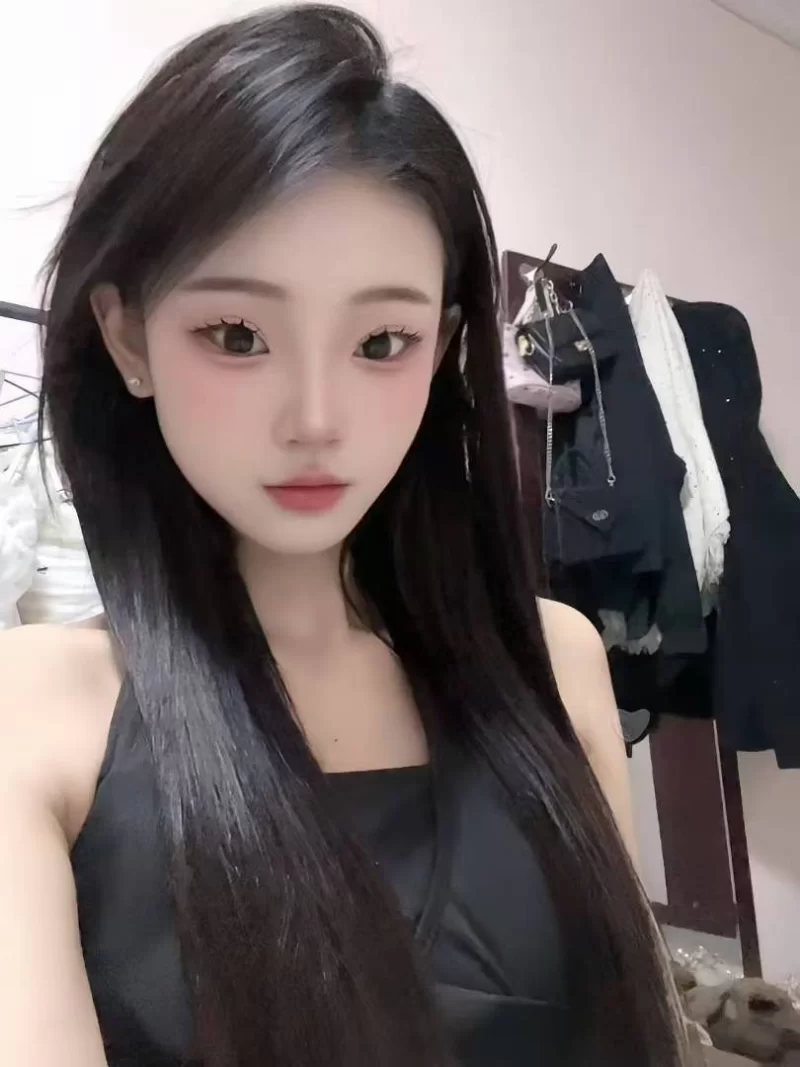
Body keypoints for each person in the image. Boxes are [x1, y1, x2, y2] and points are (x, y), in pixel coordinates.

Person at [0, 6, 689, 1066]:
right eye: (238, 334)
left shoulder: (554, 663)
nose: (316, 418)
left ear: (442, 349)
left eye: (381, 341)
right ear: (129, 337)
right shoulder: (35, 712)